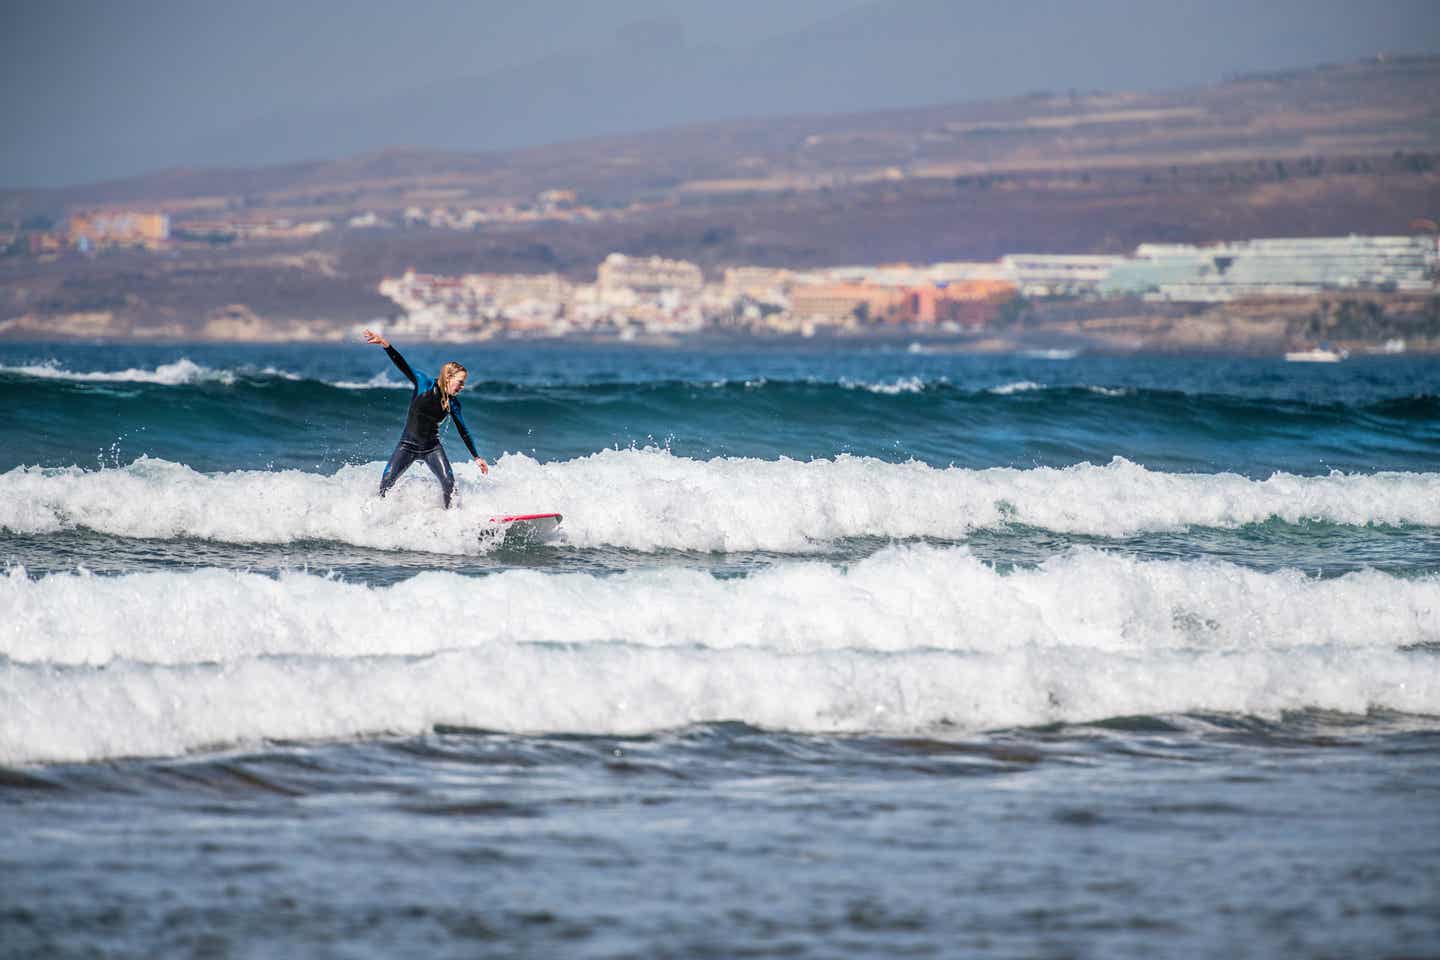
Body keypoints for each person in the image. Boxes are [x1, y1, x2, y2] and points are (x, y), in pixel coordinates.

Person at [363, 329, 488, 508]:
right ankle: (375, 514)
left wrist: (477, 457)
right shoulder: (423, 383)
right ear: (448, 377)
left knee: (449, 484)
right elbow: (402, 365)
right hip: (407, 445)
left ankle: (451, 518)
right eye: (460, 382)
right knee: (386, 483)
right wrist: (385, 345)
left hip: (432, 448)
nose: (462, 387)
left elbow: (464, 431)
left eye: (463, 383)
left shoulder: (453, 404)